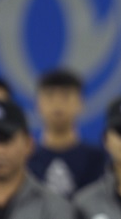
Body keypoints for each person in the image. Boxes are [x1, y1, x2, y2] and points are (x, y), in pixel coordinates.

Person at [29, 69, 106, 198]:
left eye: (66, 95)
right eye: (50, 95)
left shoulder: (99, 161)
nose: (57, 103)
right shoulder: (26, 161)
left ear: (80, 103)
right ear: (37, 104)